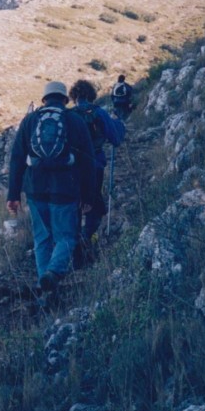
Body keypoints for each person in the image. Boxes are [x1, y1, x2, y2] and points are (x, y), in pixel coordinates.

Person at [7, 81, 96, 298]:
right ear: (65, 99)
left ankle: (44, 290)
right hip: (66, 189)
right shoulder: (75, 120)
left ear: (44, 99)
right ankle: (53, 273)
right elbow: (87, 162)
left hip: (35, 190)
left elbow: (17, 159)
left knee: (42, 239)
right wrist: (89, 195)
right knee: (66, 237)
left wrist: (13, 195)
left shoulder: (29, 121)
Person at [68, 79, 125, 265]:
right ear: (92, 95)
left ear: (73, 96)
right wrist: (119, 125)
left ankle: (75, 246)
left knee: (75, 205)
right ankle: (87, 237)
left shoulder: (68, 115)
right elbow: (115, 139)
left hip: (71, 169)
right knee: (94, 205)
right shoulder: (99, 112)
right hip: (95, 166)